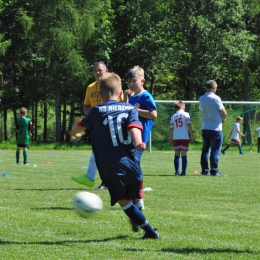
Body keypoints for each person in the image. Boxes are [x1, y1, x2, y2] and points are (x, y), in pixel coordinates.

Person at [70, 72, 160, 239]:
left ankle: (150, 230)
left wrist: (73, 132)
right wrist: (139, 142)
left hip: (111, 166)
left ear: (101, 95)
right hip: (133, 163)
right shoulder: (129, 108)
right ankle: (137, 216)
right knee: (135, 195)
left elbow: (80, 125)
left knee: (123, 201)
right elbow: (134, 126)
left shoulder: (97, 110)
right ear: (120, 93)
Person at [124, 66, 157, 231]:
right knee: (128, 170)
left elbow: (153, 114)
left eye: (134, 80)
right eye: (129, 81)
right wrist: (125, 99)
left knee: (132, 171)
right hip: (127, 140)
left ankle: (137, 204)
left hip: (139, 141)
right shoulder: (129, 97)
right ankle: (137, 205)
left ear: (142, 81)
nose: (131, 83)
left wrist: (136, 109)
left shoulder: (146, 96)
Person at [71, 61, 108, 190]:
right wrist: (91, 114)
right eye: (95, 70)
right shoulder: (90, 87)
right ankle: (93, 178)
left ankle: (97, 179)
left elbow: (120, 104)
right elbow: (86, 106)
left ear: (106, 71)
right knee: (98, 151)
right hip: (96, 125)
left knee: (103, 153)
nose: (97, 73)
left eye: (100, 70)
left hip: (110, 124)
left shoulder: (112, 85)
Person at [199, 80, 227, 176]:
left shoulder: (201, 98)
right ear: (215, 88)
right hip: (215, 128)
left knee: (205, 150)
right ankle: (214, 170)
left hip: (205, 127)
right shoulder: (215, 98)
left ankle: (205, 170)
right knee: (215, 150)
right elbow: (224, 112)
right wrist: (223, 119)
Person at [169, 101, 194, 176]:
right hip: (184, 137)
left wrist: (170, 138)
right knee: (183, 155)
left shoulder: (173, 116)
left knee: (176, 154)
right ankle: (183, 172)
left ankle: (177, 172)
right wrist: (191, 135)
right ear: (183, 107)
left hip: (176, 137)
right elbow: (189, 125)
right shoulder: (186, 114)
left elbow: (171, 129)